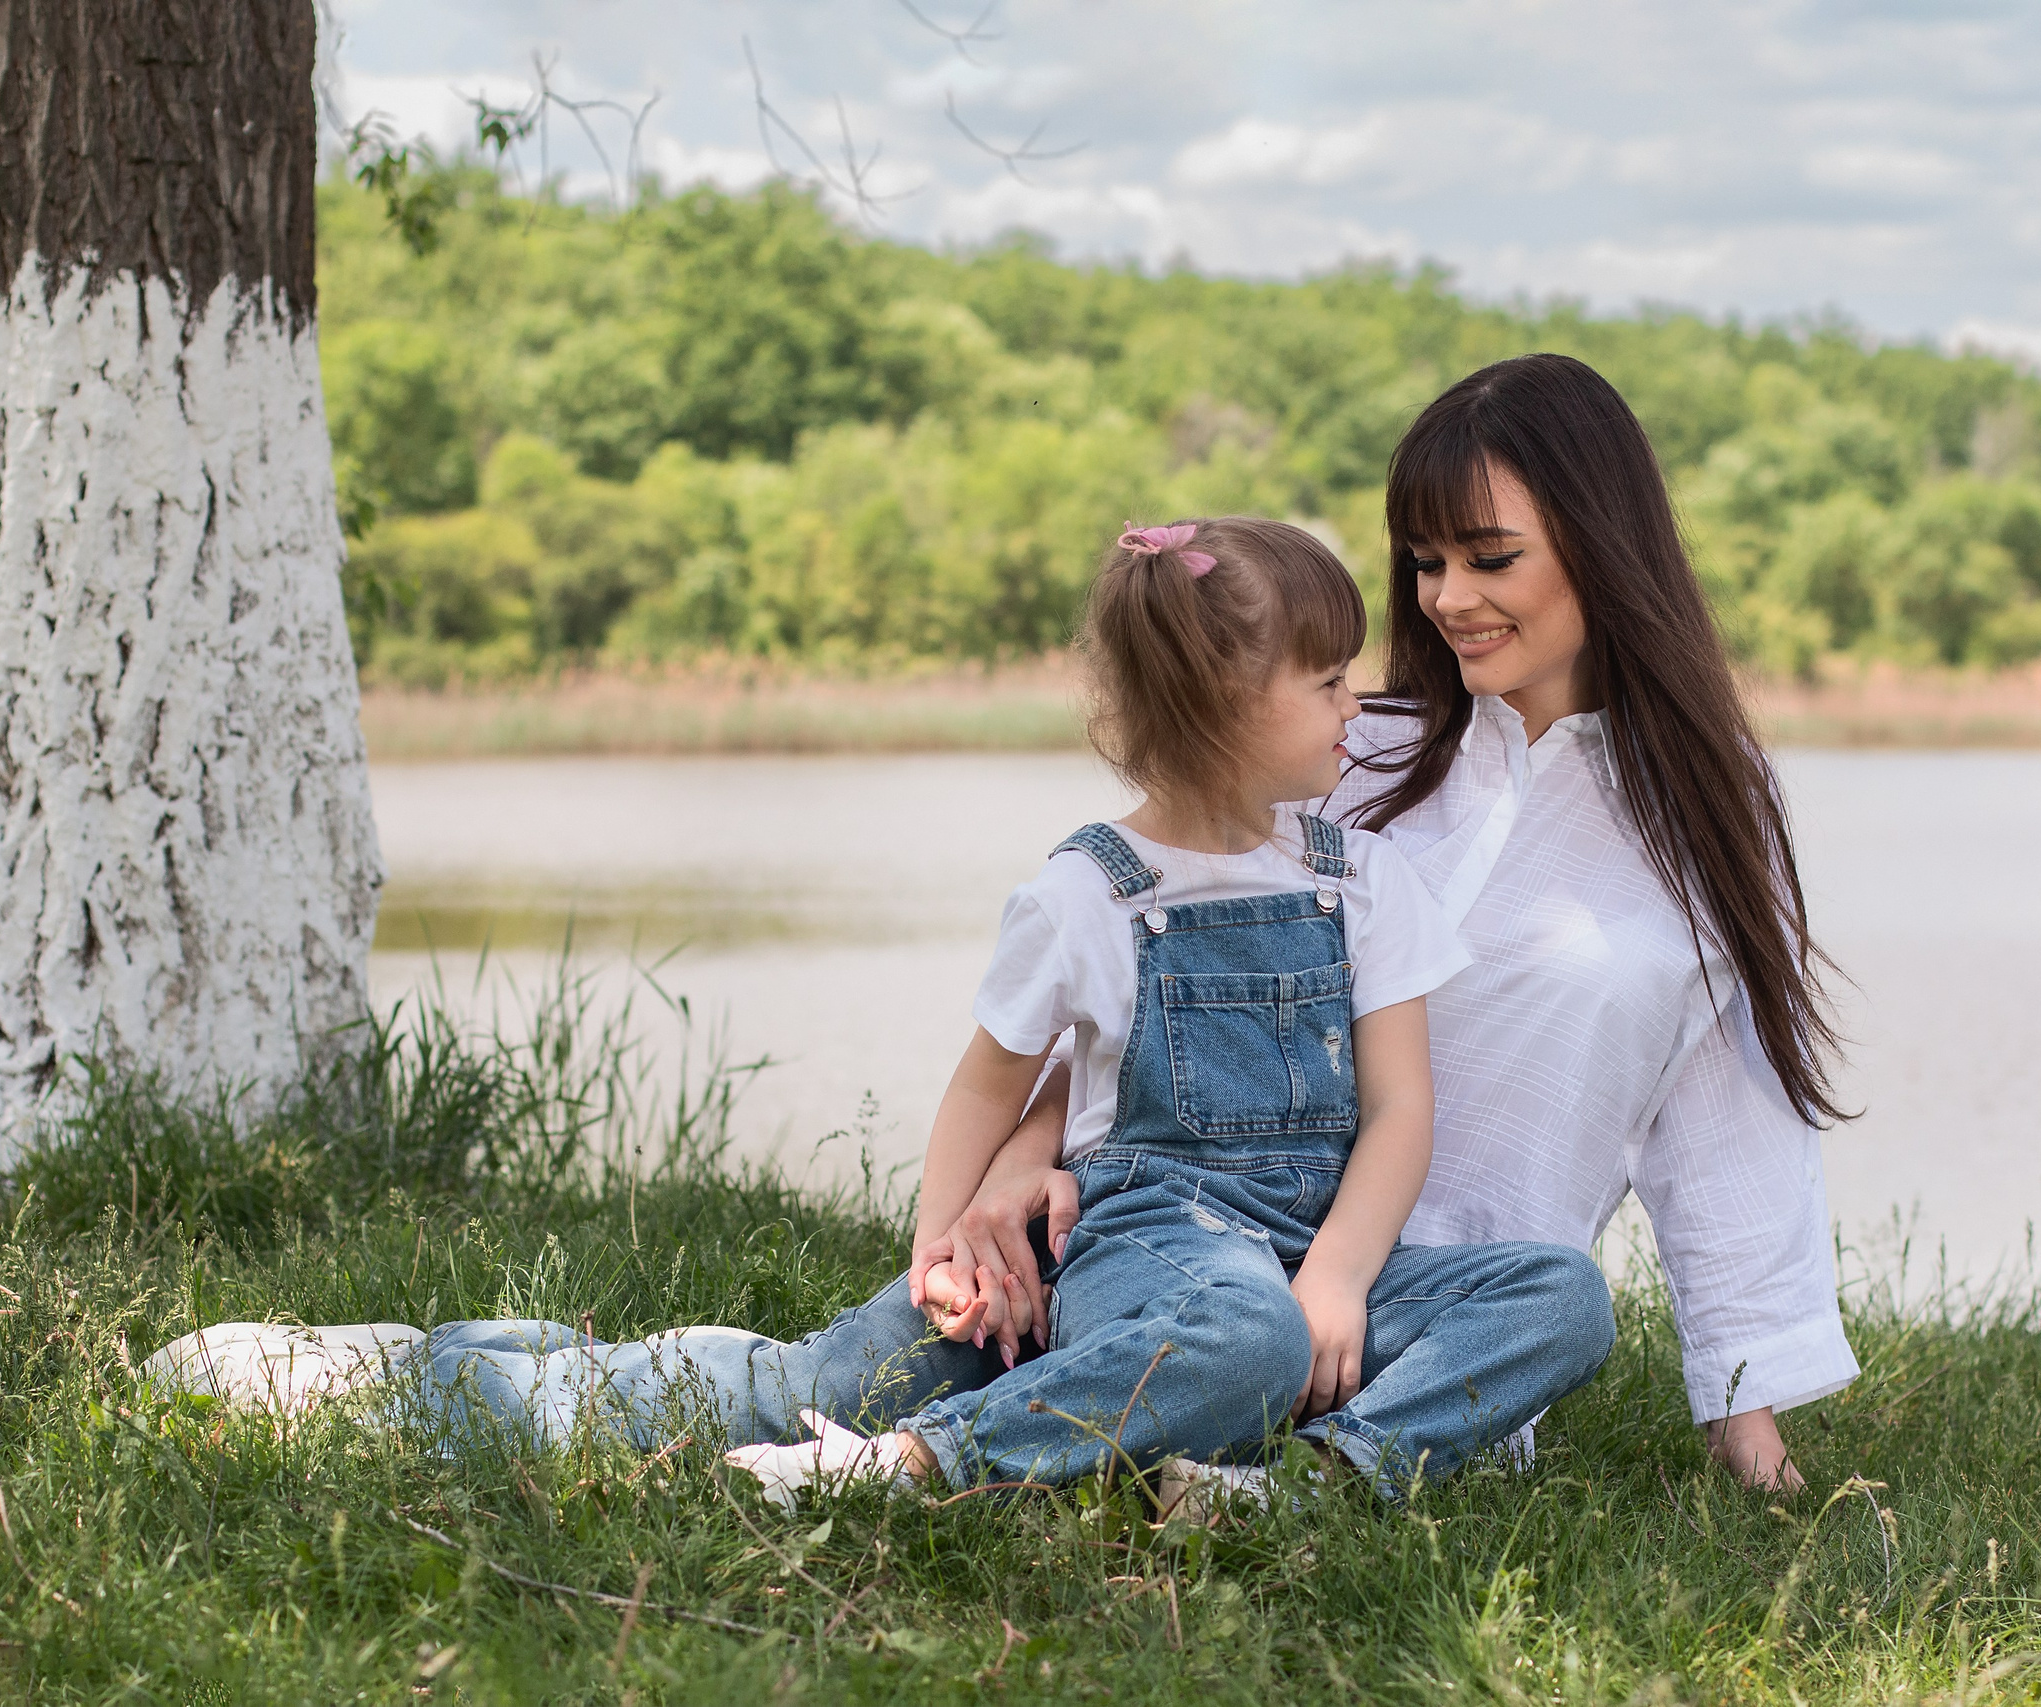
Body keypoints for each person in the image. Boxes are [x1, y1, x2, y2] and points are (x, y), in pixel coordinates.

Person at [147, 517, 1618, 1502]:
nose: (1355, 709)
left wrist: (1343, 1278)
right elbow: (989, 1085)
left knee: (1560, 1293)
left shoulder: (1362, 877)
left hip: (1311, 1265)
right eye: (1325, 681)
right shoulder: (1090, 893)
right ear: (1229, 707)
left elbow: (1400, 1106)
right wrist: (945, 1245)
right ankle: (885, 1451)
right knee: (821, 1383)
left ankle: (1283, 1488)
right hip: (1155, 1251)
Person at [930, 354, 1858, 1490]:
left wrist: (1743, 1416)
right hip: (1200, 1260)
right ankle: (832, 1435)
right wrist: (1026, 1154)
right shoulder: (1346, 755)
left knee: (1561, 1307)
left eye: (1490, 557)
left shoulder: (1709, 807)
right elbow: (1157, 985)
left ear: (1602, 542)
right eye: (1425, 562)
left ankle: (1302, 1485)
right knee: (871, 1362)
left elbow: (1723, 1116)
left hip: (1434, 1328)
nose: (1446, 598)